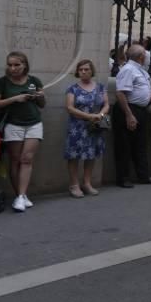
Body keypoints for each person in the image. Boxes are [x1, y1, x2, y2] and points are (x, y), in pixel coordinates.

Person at [0, 52, 45, 212]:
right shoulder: (2, 83)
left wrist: (40, 96)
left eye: (17, 65)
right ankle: (20, 196)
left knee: (27, 159)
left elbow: (42, 104)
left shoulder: (34, 80)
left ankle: (21, 196)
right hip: (13, 124)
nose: (13, 68)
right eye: (10, 65)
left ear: (24, 65)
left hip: (34, 123)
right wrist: (14, 99)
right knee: (15, 160)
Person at [113, 44, 151, 187]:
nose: (147, 57)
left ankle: (143, 175)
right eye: (145, 54)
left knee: (140, 144)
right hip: (128, 109)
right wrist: (129, 115)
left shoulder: (139, 70)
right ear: (141, 57)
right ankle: (123, 178)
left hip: (140, 110)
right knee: (124, 145)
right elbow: (121, 93)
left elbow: (139, 91)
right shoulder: (128, 70)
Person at [64, 59, 109, 198]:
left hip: (94, 126)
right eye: (81, 69)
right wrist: (88, 116)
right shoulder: (73, 89)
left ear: (92, 71)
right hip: (77, 127)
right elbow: (70, 108)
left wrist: (100, 115)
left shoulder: (100, 87)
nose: (83, 72)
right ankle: (74, 185)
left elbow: (106, 104)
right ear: (77, 72)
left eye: (86, 69)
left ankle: (87, 183)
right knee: (74, 156)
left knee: (91, 155)